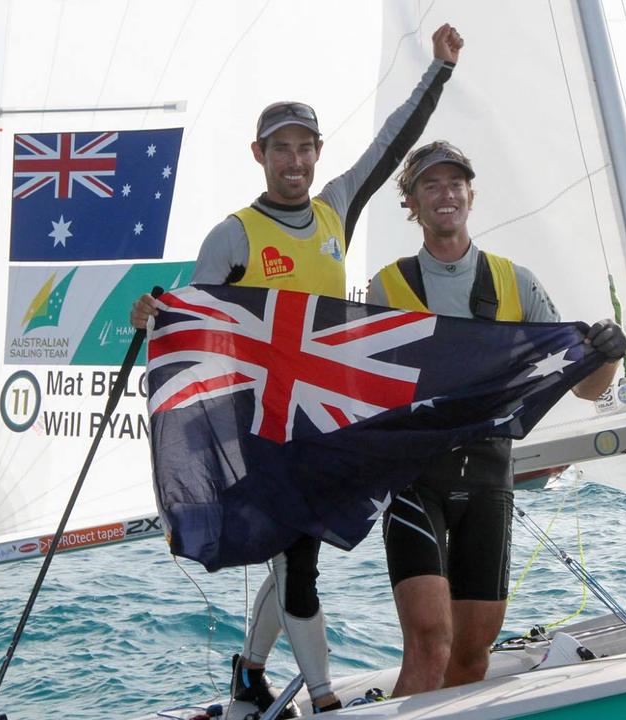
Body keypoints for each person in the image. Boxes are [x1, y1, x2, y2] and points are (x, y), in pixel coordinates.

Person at [130, 24, 465, 714]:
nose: (294, 160)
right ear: (260, 155)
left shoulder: (336, 208)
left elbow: (392, 144)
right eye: (281, 147)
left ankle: (250, 670)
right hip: (262, 424)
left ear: (316, 154)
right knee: (299, 563)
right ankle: (323, 699)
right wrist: (153, 319)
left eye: (305, 148)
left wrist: (439, 70)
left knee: (295, 546)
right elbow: (192, 322)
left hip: (327, 417)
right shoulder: (234, 235)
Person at [367, 141, 626, 696]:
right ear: (411, 202)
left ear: (470, 194)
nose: (446, 194)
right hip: (416, 478)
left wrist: (607, 353)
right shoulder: (387, 287)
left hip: (489, 477)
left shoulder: (518, 282)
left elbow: (586, 387)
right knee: (430, 642)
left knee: (470, 652)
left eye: (455, 183)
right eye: (431, 185)